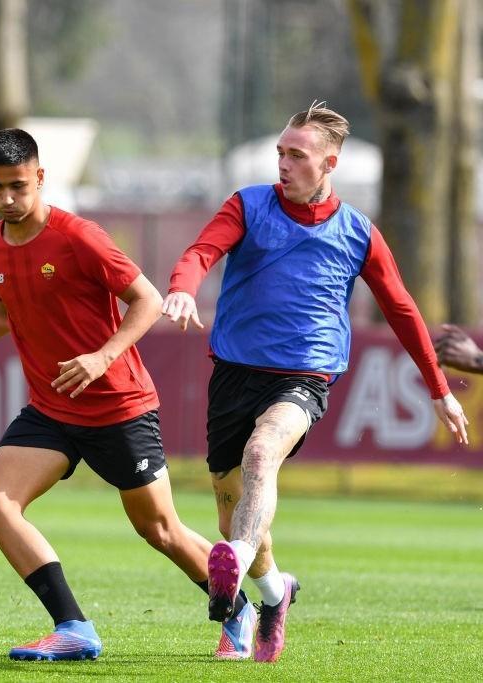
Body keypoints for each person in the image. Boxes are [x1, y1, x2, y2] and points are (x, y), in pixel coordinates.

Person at [0, 128, 255, 662]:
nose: (7, 199)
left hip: (118, 405)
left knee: (160, 530)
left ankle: (241, 610)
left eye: (18, 186)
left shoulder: (79, 236)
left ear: (40, 177)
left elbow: (148, 299)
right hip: (51, 407)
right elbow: (7, 308)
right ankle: (73, 627)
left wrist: (101, 356)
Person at [162, 102, 469, 663]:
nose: (283, 163)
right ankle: (273, 595)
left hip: (305, 375)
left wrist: (439, 388)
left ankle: (233, 559)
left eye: (296, 155)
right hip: (234, 374)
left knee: (262, 455)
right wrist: (182, 287)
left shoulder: (358, 232)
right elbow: (201, 252)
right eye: (280, 153)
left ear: (329, 163)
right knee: (232, 501)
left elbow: (401, 308)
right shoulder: (248, 205)